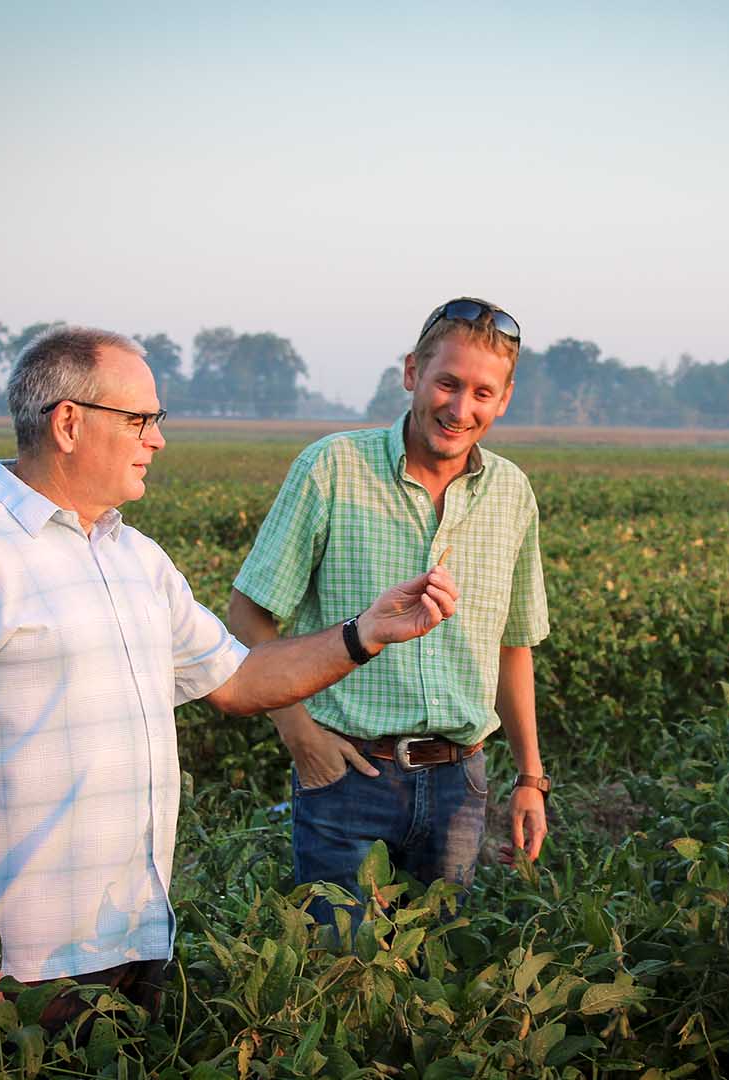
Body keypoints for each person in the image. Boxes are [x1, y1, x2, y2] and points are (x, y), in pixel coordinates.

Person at [0, 326, 458, 1026]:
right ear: (68, 422)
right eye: (141, 419)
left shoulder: (137, 559)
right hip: (19, 955)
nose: (157, 440)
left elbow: (240, 681)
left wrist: (365, 634)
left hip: (136, 933)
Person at [227, 297, 550, 921]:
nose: (460, 409)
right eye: (447, 384)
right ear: (412, 374)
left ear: (504, 399)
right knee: (338, 979)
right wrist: (300, 735)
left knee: (435, 981)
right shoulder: (333, 468)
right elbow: (250, 613)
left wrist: (531, 779)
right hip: (348, 774)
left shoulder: (511, 492)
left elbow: (515, 644)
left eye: (482, 393)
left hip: (462, 781)